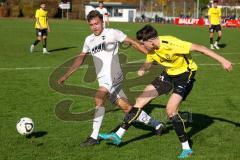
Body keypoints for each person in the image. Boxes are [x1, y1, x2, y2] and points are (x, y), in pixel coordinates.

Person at [99, 25, 232, 158]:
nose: (142, 47)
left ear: (151, 41)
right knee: (139, 101)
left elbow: (200, 48)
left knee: (170, 111)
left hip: (185, 75)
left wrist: (223, 60)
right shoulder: (151, 49)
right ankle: (118, 135)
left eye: (143, 43)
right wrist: (143, 68)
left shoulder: (171, 43)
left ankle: (186, 148)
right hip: (168, 74)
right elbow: (149, 61)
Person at [57, 11, 165, 147]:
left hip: (114, 75)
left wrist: (152, 56)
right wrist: (66, 75)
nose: (94, 27)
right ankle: (157, 124)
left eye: (96, 23)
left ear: (102, 21)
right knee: (127, 109)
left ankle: (94, 136)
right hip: (103, 79)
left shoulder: (113, 33)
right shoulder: (88, 40)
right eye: (91, 25)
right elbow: (80, 58)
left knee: (98, 97)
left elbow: (133, 43)